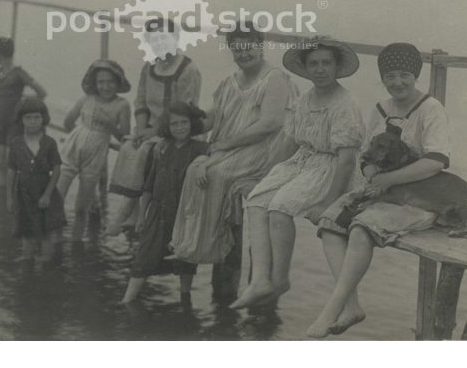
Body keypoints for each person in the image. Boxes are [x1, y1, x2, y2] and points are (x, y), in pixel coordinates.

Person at [307, 43, 452, 338]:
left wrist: (389, 179)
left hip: (421, 197)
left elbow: (436, 162)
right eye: (390, 76)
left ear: (415, 75)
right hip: (383, 191)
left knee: (361, 229)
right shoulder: (380, 109)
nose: (397, 82)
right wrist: (370, 171)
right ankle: (352, 306)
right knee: (330, 223)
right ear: (383, 79)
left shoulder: (430, 108)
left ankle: (330, 310)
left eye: (404, 75)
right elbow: (366, 154)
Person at [230, 38, 365, 310]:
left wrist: (329, 201)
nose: (320, 69)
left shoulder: (344, 103)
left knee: (280, 208)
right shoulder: (305, 99)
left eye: (327, 63)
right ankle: (260, 280)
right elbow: (290, 142)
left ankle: (280, 279)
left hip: (332, 167)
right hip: (304, 161)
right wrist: (268, 177)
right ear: (305, 68)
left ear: (337, 67)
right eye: (313, 64)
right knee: (256, 200)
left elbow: (347, 160)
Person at [170, 23, 299, 298]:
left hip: (265, 151)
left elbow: (270, 124)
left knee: (217, 174)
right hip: (236, 148)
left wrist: (222, 147)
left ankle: (213, 246)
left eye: (249, 46)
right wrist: (180, 124)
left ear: (260, 45)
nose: (244, 53)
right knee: (194, 167)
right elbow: (212, 117)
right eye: (237, 49)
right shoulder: (230, 82)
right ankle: (193, 246)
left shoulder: (274, 78)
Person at [107, 18, 202, 234]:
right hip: (149, 128)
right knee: (128, 146)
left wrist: (153, 132)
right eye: (154, 39)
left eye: (164, 38)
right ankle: (132, 212)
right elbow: (140, 100)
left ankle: (131, 211)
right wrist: (141, 129)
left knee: (146, 151)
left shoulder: (188, 69)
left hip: (177, 129)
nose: (160, 44)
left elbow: (184, 109)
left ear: (175, 38)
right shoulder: (149, 67)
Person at [122, 102, 208, 304]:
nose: (180, 127)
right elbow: (149, 187)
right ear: (167, 127)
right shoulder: (161, 150)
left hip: (185, 216)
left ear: (192, 123)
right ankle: (126, 300)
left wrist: (204, 165)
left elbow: (214, 159)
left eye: (184, 122)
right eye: (174, 123)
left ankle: (185, 300)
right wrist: (142, 216)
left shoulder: (201, 148)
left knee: (185, 262)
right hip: (157, 214)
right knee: (143, 257)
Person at [57, 60, 131, 241]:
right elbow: (67, 122)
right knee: (56, 198)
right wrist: (81, 134)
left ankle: (76, 243)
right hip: (73, 149)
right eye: (101, 82)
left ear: (118, 82)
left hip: (96, 156)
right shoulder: (86, 99)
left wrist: (109, 123)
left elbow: (125, 138)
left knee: (82, 207)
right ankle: (54, 239)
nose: (105, 86)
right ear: (94, 83)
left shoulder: (122, 105)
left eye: (110, 82)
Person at [7, 97, 66, 266]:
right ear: (21, 120)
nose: (33, 122)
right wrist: (9, 198)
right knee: (27, 231)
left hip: (44, 190)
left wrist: (47, 195)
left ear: (43, 119)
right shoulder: (16, 143)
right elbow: (11, 171)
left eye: (37, 117)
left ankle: (46, 264)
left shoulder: (49, 143)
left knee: (47, 230)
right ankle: (28, 262)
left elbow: (56, 169)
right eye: (28, 118)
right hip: (23, 193)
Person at [0, 37, 47, 187]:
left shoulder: (18, 73)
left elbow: (42, 92)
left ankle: (12, 197)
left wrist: (25, 103)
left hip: (15, 123)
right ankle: (0, 197)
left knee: (12, 164)